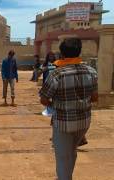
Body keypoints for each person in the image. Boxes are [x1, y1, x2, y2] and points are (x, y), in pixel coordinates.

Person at [39, 38, 98, 180]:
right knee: (71, 152)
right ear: (79, 52)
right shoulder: (91, 71)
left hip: (64, 124)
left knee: (63, 158)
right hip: (84, 122)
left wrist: (57, 105)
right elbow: (95, 98)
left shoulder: (57, 74)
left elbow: (44, 99)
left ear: (62, 53)